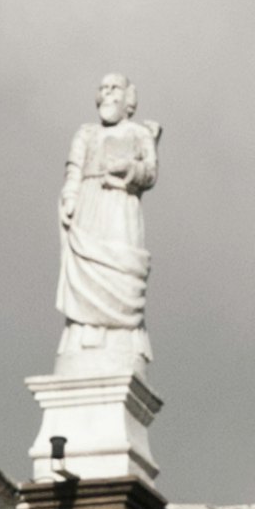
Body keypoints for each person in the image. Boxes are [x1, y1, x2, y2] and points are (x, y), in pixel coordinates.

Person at [57, 73, 161, 366]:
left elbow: (150, 172)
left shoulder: (139, 133)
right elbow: (74, 169)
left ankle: (123, 334)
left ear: (128, 98)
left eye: (114, 88)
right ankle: (84, 332)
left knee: (121, 267)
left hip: (120, 206)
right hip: (89, 205)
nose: (107, 94)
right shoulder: (86, 134)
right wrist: (69, 197)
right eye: (102, 88)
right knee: (87, 268)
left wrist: (129, 168)